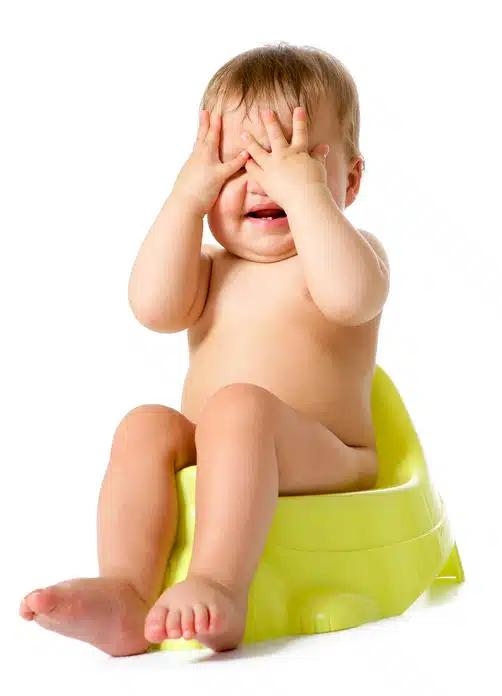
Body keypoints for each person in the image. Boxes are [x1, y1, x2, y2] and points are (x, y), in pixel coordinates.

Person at [19, 42, 390, 656]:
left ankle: (219, 584)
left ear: (348, 179)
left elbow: (353, 298)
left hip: (328, 457)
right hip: (221, 448)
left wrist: (306, 198)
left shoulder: (347, 256)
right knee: (144, 425)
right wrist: (184, 201)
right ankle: (126, 591)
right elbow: (152, 308)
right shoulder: (211, 268)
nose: (264, 180)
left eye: (292, 159)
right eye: (238, 163)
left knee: (240, 406)